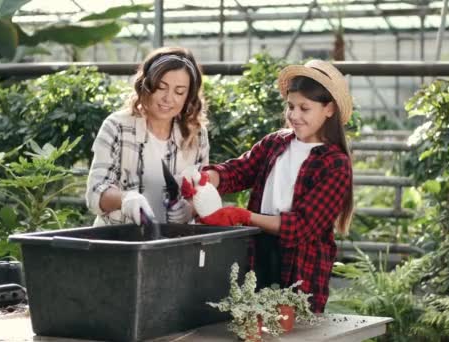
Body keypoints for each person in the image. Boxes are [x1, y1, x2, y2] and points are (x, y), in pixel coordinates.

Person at [202, 60, 354, 313]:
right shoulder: (276, 143)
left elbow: (301, 226)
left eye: (305, 108)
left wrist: (244, 216)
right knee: (251, 323)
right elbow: (239, 171)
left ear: (329, 109)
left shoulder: (335, 164)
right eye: (291, 106)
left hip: (300, 266)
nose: (294, 115)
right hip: (257, 251)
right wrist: (208, 178)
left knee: (291, 329)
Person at [86, 47, 209, 226]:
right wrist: (126, 199)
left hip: (174, 244)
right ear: (146, 86)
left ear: (188, 96)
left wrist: (190, 208)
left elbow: (202, 190)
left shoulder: (195, 134)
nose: (168, 98)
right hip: (119, 242)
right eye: (161, 87)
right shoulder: (118, 127)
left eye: (179, 92)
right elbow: (95, 193)